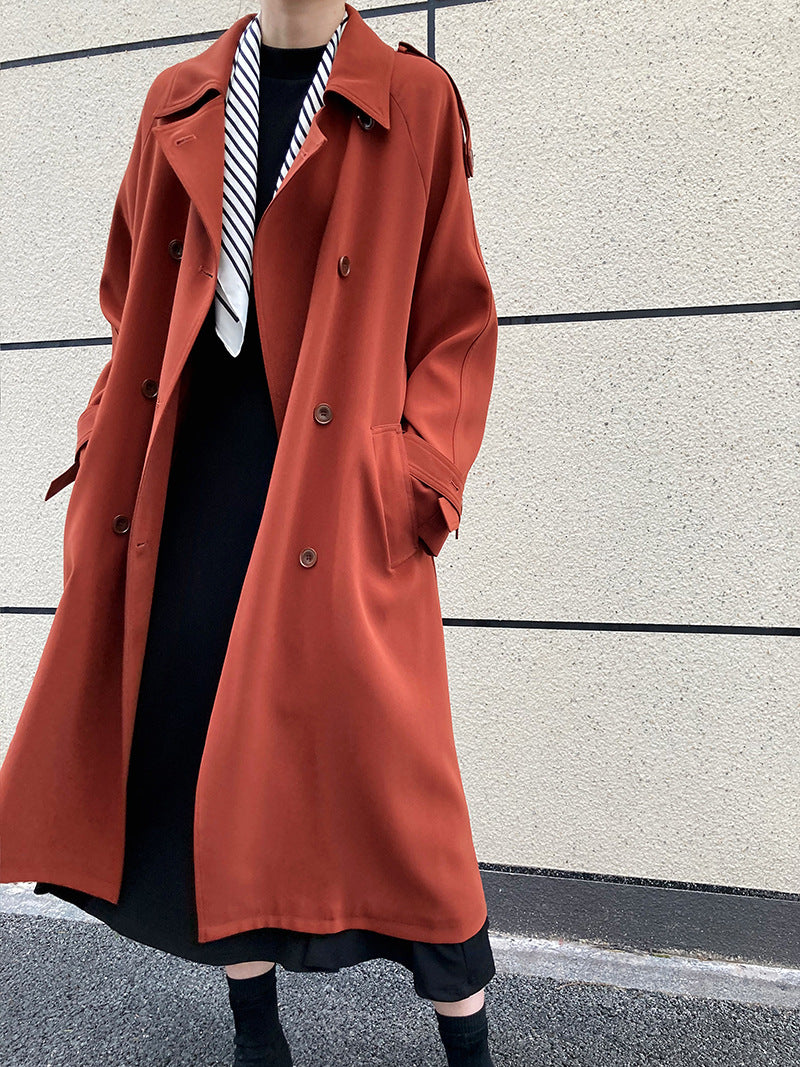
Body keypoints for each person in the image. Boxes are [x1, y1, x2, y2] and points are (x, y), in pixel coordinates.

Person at [7, 2, 499, 1064]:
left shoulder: (410, 100)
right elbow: (127, 296)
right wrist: (100, 435)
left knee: (403, 778)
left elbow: (454, 321)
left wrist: (418, 477)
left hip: (337, 488)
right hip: (189, 483)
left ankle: (467, 1039)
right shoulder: (179, 100)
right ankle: (255, 1028)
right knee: (207, 751)